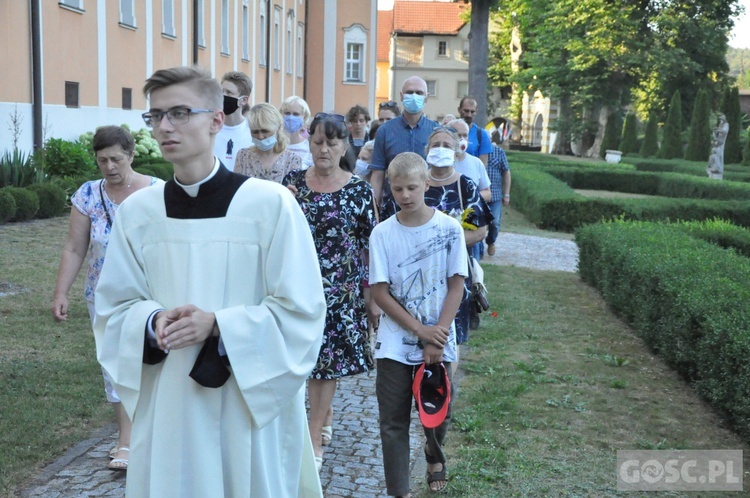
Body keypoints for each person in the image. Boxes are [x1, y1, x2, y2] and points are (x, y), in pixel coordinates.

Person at [93, 66, 326, 497]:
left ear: (217, 120)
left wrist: (218, 325)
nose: (165, 126)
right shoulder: (139, 213)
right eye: (156, 116)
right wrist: (151, 321)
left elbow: (302, 310)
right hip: (169, 403)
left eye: (180, 112)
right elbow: (114, 308)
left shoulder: (270, 206)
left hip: (245, 400)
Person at [52, 125, 163, 472]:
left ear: (131, 155)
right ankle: (126, 440)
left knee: (156, 362)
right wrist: (61, 292)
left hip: (152, 294)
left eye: (116, 159)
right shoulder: (87, 195)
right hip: (104, 296)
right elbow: (74, 247)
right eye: (103, 160)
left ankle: (161, 434)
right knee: (114, 365)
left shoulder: (157, 192)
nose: (110, 167)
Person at [282, 113, 378, 472]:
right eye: (318, 141)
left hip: (340, 292)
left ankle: (312, 433)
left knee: (326, 366)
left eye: (332, 142)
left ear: (344, 146)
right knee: (296, 360)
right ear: (309, 143)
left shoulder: (358, 190)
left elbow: (371, 246)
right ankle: (321, 415)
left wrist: (371, 297)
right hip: (294, 285)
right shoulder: (292, 183)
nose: (324, 149)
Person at [369, 152, 467, 496]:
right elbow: (379, 292)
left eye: (412, 187)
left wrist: (435, 336)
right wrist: (418, 330)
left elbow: (457, 284)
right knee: (392, 421)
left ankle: (432, 452)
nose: (405, 195)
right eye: (398, 189)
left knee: (437, 413)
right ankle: (399, 491)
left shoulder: (449, 228)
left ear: (427, 183)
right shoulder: (382, 233)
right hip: (395, 343)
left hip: (439, 338)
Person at [382, 127, 489, 346]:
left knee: (449, 336)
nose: (440, 149)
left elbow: (480, 230)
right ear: (427, 150)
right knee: (407, 333)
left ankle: (442, 379)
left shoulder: (465, 185)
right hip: (408, 273)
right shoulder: (408, 184)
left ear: (457, 152)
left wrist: (440, 246)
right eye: (435, 145)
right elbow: (387, 225)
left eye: (447, 146)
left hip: (451, 272)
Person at [370, 76, 440, 211]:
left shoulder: (436, 131)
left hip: (429, 204)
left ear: (426, 97)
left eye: (419, 93)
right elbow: (377, 175)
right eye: (409, 92)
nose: (414, 96)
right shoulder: (385, 130)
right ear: (401, 96)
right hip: (393, 205)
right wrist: (374, 209)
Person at [450, 118, 492, 262]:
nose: (462, 139)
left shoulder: (476, 163)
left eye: (465, 136)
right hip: (447, 224)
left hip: (471, 225)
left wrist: (469, 197)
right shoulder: (440, 162)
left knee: (471, 264)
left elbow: (487, 192)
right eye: (458, 135)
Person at [234, 103, 301, 182]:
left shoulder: (292, 159)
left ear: (278, 128)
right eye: (255, 132)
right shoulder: (243, 156)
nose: (260, 136)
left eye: (265, 131)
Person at [214, 71, 253, 170]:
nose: (223, 96)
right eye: (221, 91)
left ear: (243, 100)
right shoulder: (210, 128)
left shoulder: (253, 131)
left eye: (229, 93)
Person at [485, 144, 511, 256]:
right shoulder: (476, 151)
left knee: (494, 223)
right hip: (479, 194)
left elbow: (506, 172)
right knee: (476, 223)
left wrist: (506, 194)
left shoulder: (499, 152)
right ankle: (478, 247)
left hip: (495, 196)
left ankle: (491, 241)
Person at [281, 95, 314, 169]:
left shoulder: (309, 148)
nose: (290, 117)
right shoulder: (274, 144)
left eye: (296, 114)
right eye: (287, 113)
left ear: (304, 117)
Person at [457, 96, 492, 165]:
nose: (469, 115)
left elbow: (482, 166)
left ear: (476, 112)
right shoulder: (449, 131)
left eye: (472, 112)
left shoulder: (482, 135)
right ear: (459, 110)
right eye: (466, 111)